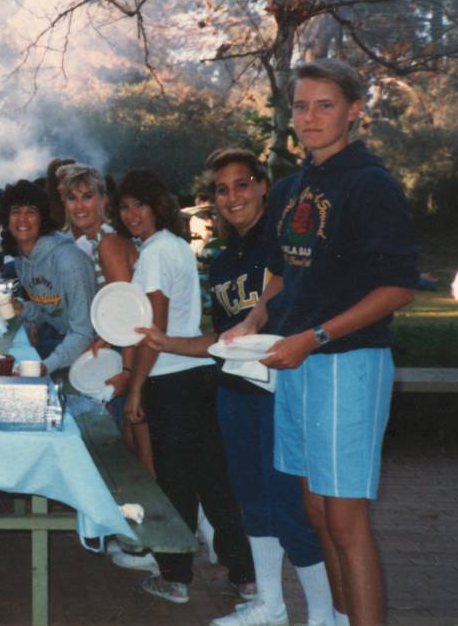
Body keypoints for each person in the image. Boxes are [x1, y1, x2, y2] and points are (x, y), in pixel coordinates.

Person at [225, 59, 419, 626]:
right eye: (301, 106)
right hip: (297, 360)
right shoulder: (290, 188)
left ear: (355, 110)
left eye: (324, 105)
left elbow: (399, 288)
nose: (309, 118)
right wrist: (255, 319)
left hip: (347, 362)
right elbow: (287, 273)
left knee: (345, 521)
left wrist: (314, 336)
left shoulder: (370, 183)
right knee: (314, 510)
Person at [138, 149, 334, 626]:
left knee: (292, 505)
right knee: (250, 500)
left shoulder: (285, 242)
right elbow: (224, 340)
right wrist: (169, 343)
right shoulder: (224, 261)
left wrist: (262, 315)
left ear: (264, 185)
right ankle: (270, 604)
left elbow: (291, 296)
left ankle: (324, 616)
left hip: (283, 389)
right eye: (222, 189)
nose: (233, 196)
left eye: (242, 184)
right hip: (235, 391)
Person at [113, 168, 255, 607]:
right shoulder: (172, 247)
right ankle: (246, 576)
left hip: (169, 378)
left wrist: (136, 389)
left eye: (140, 203)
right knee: (213, 482)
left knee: (176, 485)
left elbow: (155, 328)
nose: (132, 213)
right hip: (195, 375)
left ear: (159, 205)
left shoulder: (155, 253)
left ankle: (175, 577)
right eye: (124, 206)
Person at [59, 165, 154, 475]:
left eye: (88, 196)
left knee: (143, 458)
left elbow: (129, 313)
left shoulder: (108, 243)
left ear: (103, 201)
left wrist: (127, 372)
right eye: (72, 198)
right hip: (136, 349)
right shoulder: (100, 239)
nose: (79, 205)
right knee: (134, 451)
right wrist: (105, 336)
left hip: (143, 356)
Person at [4, 180, 96, 375]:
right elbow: (51, 308)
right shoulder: (22, 260)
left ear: (42, 218)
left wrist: (46, 366)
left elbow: (83, 331)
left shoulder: (68, 260)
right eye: (15, 212)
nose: (22, 219)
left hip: (94, 354)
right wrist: (24, 309)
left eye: (30, 212)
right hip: (65, 343)